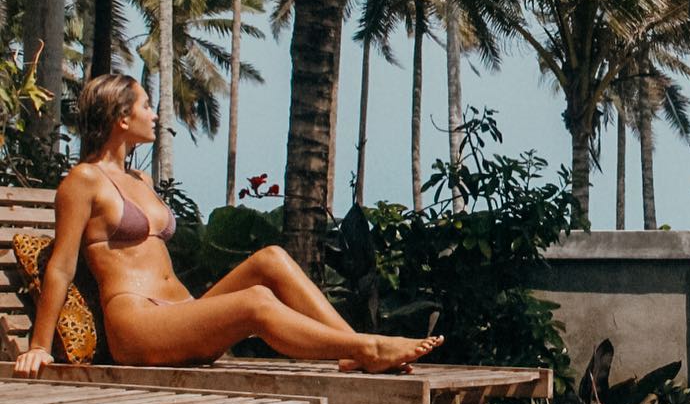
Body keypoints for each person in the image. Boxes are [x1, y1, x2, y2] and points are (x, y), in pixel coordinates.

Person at [13, 74, 442, 379]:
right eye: (145, 106)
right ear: (121, 118)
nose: (154, 114)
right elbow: (61, 267)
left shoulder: (140, 179)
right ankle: (368, 347)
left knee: (271, 259)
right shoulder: (83, 181)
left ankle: (354, 350)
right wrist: (39, 347)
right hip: (138, 325)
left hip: (181, 311)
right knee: (255, 301)